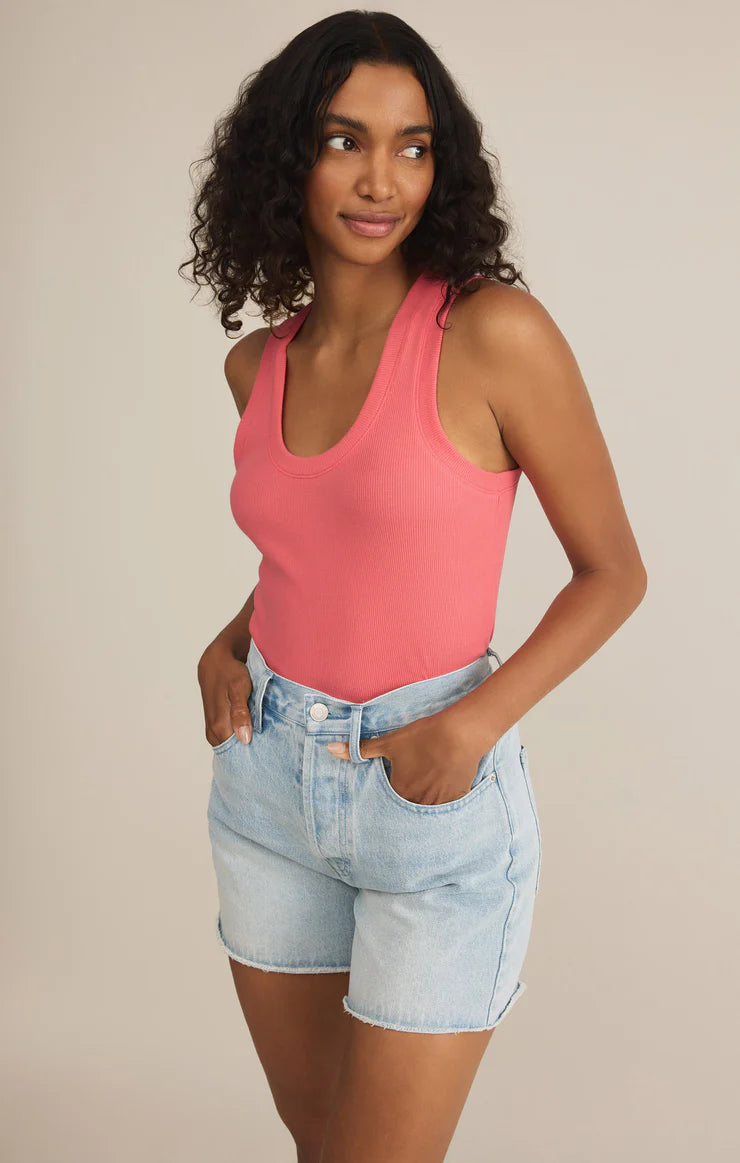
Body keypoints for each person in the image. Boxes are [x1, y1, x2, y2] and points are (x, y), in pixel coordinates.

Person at [180, 11, 647, 1163]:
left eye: (413, 145)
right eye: (343, 140)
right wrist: (226, 642)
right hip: (267, 789)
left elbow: (611, 572)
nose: (380, 179)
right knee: (319, 1139)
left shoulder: (490, 334)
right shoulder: (257, 364)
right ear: (285, 158)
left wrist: (471, 723)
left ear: (442, 166)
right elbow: (311, 551)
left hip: (431, 799)